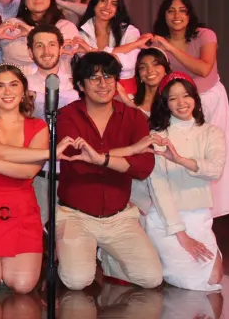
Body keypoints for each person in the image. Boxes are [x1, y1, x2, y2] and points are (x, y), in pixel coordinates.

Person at [0, 65, 70, 294]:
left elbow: (27, 173)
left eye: (13, 85)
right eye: (0, 86)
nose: (7, 91)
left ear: (24, 91)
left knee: (23, 286)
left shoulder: (38, 127)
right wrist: (50, 153)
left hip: (21, 213)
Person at [54, 52, 162, 290]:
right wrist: (129, 152)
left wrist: (100, 158)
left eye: (108, 77)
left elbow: (144, 167)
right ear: (80, 85)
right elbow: (77, 163)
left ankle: (107, 256)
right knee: (77, 281)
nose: (102, 84)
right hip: (76, 215)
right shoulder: (66, 116)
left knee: (152, 278)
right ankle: (74, 247)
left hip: (120, 216)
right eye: (94, 78)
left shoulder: (134, 117)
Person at [130, 73, 225, 291]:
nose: (181, 103)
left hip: (199, 216)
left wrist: (180, 160)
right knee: (195, 282)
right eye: (173, 98)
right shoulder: (156, 137)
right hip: (166, 219)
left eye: (186, 96)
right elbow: (159, 190)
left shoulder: (211, 132)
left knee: (214, 278)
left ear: (195, 98)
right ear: (165, 103)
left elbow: (215, 170)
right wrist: (182, 236)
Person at [151, 0, 229, 217]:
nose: (176, 15)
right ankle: (187, 206)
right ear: (163, 15)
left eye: (182, 10)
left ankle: (218, 209)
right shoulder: (158, 42)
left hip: (211, 98)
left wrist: (170, 49)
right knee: (183, 152)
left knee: (214, 152)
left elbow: (204, 69)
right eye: (171, 11)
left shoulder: (205, 35)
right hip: (181, 104)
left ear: (190, 15)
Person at [24, 24, 80, 224]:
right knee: (38, 227)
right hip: (38, 171)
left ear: (61, 48)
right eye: (39, 46)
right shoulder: (21, 84)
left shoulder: (78, 83)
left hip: (74, 171)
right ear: (30, 52)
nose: (46, 51)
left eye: (51, 45)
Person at [74, 0, 150, 95]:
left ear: (117, 9)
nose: (107, 7)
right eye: (103, 1)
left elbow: (129, 64)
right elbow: (89, 67)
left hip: (126, 92)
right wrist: (132, 46)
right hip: (93, 92)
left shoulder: (130, 31)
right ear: (94, 4)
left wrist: (91, 50)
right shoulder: (81, 34)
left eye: (113, 4)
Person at [0, 0, 80, 70]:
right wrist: (56, 48)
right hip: (20, 79)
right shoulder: (12, 25)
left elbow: (68, 50)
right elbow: (14, 53)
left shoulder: (66, 26)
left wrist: (30, 33)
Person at [121, 48, 172, 116]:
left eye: (155, 64)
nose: (150, 70)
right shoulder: (129, 99)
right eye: (143, 67)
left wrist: (129, 104)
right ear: (139, 74)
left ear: (166, 69)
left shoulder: (173, 101)